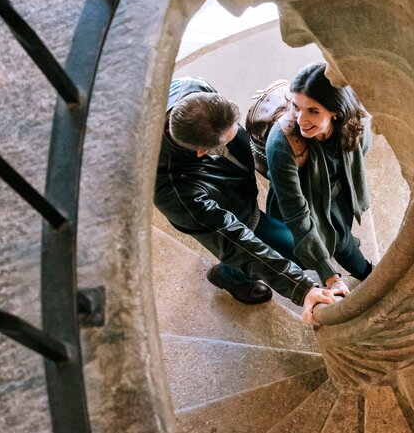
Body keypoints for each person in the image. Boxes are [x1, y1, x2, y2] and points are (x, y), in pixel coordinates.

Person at [154, 76, 334, 325]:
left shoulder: (191, 87)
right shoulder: (178, 194)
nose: (238, 133)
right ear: (202, 152)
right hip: (235, 214)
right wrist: (302, 288)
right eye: (227, 141)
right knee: (296, 253)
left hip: (239, 190)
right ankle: (230, 276)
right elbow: (235, 241)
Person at [265, 63, 373, 299]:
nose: (301, 119)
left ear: (336, 112)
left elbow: (361, 152)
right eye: (296, 106)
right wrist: (328, 275)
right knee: (285, 254)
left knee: (342, 239)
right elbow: (295, 213)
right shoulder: (281, 143)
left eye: (313, 111)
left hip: (336, 196)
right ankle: (232, 273)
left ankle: (368, 274)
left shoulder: (354, 123)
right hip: (298, 200)